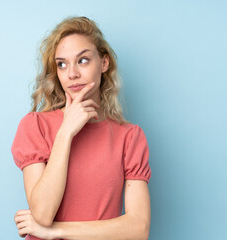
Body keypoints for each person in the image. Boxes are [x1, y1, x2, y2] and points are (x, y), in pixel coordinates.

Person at [12, 16, 152, 240]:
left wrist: (54, 231)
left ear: (104, 63)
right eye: (62, 64)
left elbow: (139, 228)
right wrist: (66, 131)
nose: (72, 74)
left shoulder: (129, 137)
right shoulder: (35, 126)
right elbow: (42, 214)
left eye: (83, 60)